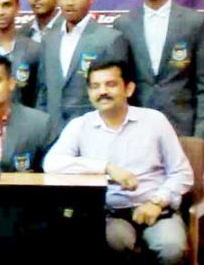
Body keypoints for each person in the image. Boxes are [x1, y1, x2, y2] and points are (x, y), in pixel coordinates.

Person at [44, 60, 193, 264]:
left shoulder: (154, 121)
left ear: (128, 89)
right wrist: (106, 168)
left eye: (111, 84)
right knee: (113, 244)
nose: (102, 91)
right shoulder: (80, 126)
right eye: (95, 86)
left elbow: (182, 173)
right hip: (110, 214)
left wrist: (157, 203)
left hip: (157, 210)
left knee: (171, 248)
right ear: (89, 93)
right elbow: (52, 163)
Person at [114, 0, 204, 137]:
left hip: (182, 128)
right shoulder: (123, 25)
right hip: (135, 129)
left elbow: (202, 84)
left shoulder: (194, 23)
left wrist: (200, 135)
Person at [37, 0, 128, 126]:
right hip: (53, 134)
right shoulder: (48, 39)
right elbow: (43, 92)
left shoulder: (110, 40)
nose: (70, 2)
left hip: (94, 132)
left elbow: (119, 97)